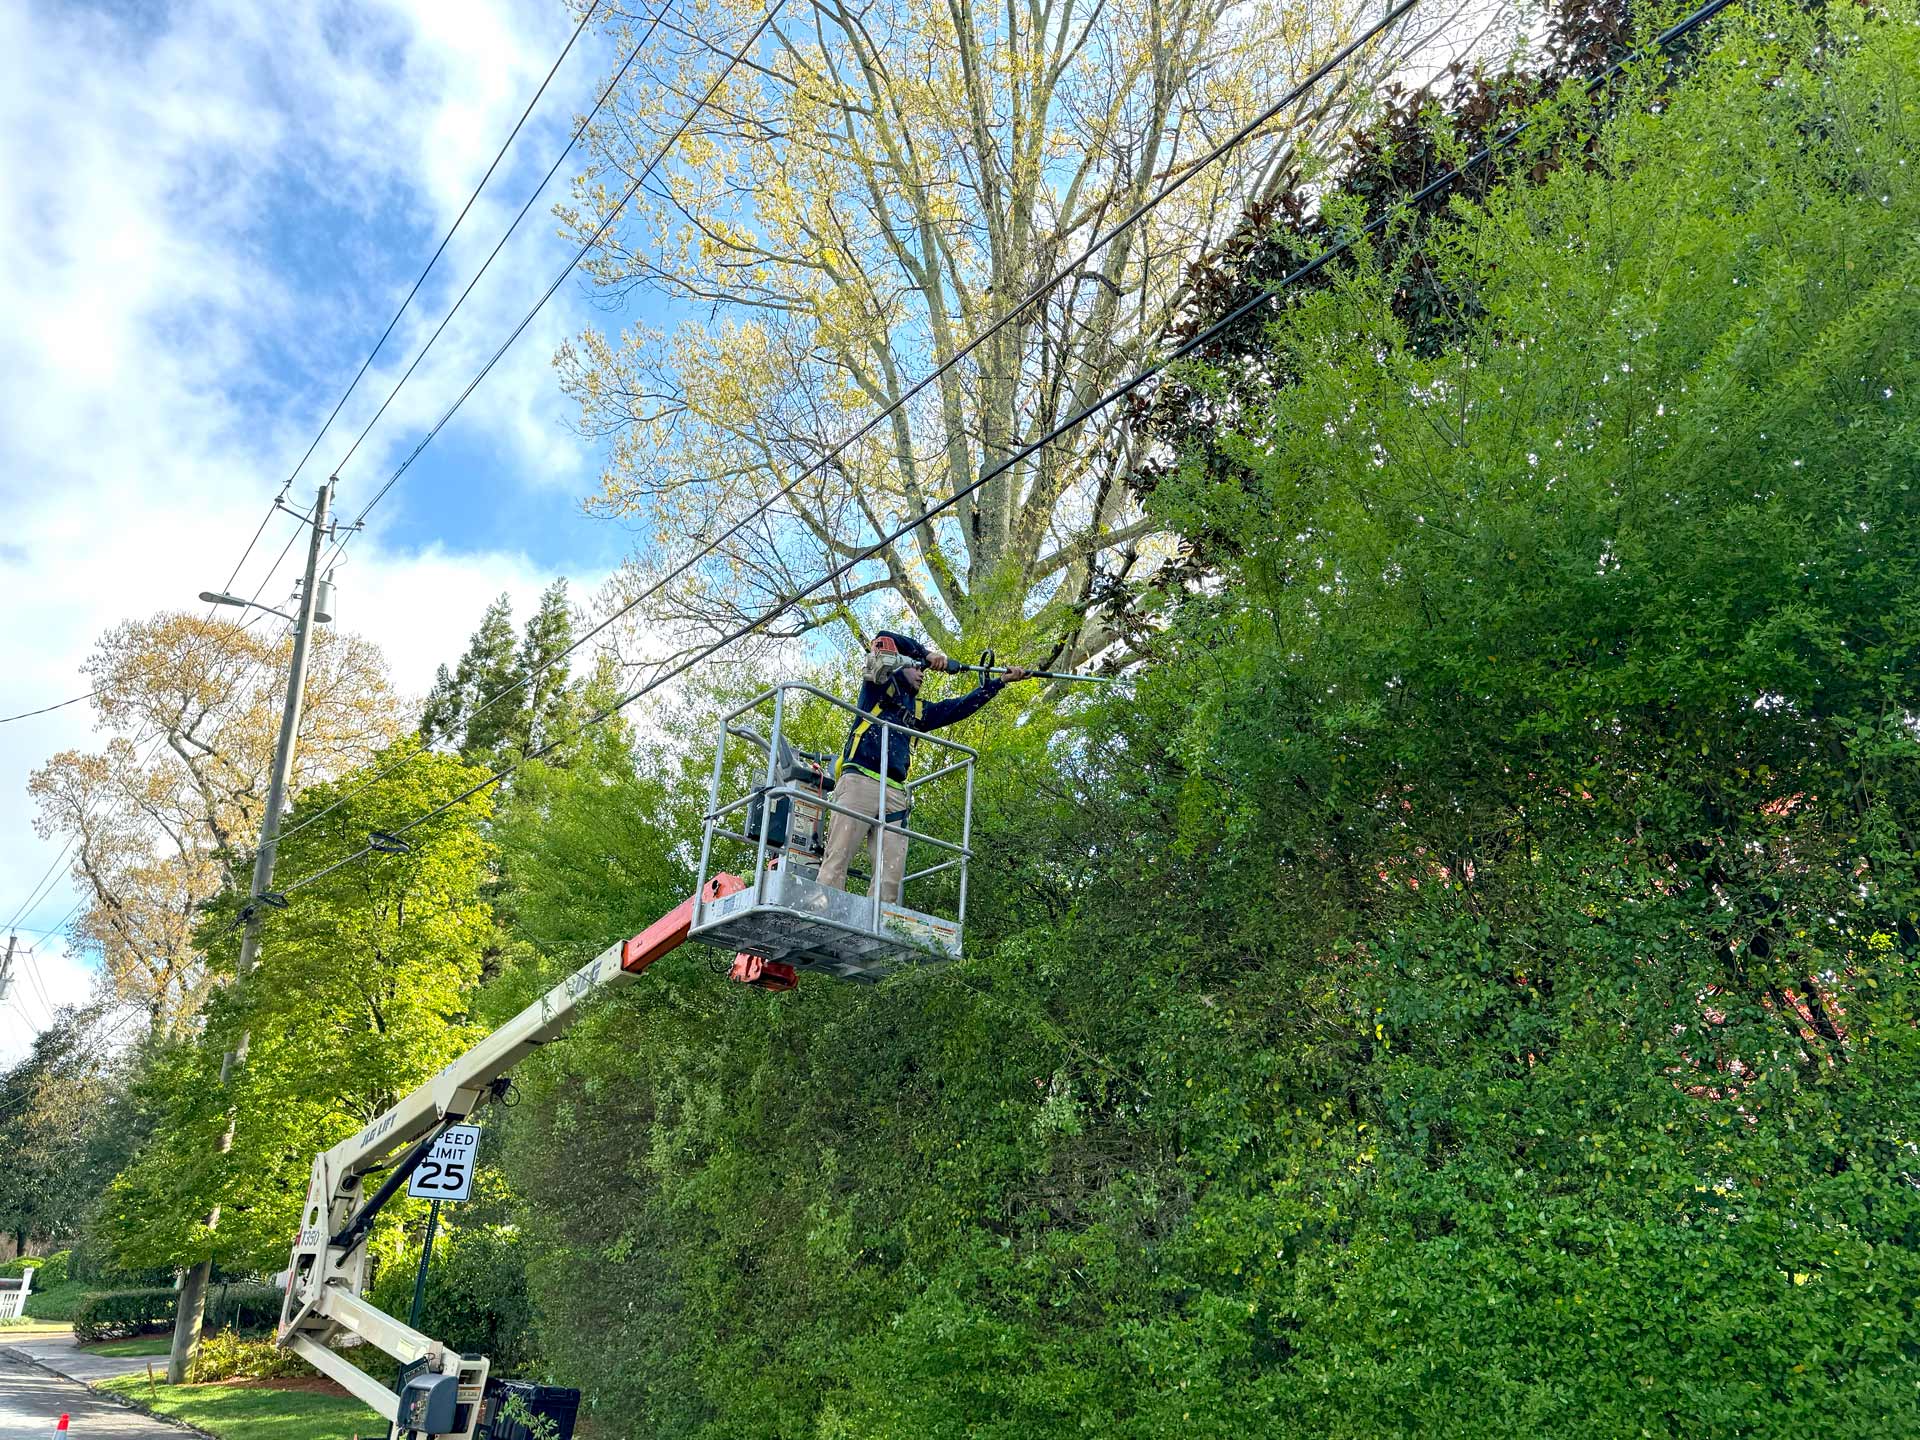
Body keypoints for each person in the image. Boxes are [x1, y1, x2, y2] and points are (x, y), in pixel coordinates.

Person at [818, 631, 1027, 902]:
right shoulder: (877, 685)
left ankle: (881, 925)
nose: (922, 672)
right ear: (900, 663)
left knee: (890, 878)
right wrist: (928, 656)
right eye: (916, 667)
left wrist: (998, 683)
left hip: (894, 793)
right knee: (838, 859)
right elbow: (883, 637)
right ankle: (820, 912)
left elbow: (957, 708)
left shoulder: (916, 711)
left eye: (923, 669)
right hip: (860, 781)